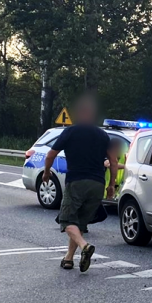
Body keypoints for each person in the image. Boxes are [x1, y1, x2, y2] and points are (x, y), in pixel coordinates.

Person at [43, 94, 118, 272]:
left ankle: (85, 247)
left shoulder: (70, 132)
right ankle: (69, 259)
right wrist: (111, 186)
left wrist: (46, 173)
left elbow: (50, 154)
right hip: (97, 184)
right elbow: (114, 161)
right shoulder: (102, 135)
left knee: (66, 219)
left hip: (77, 182)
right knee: (79, 223)